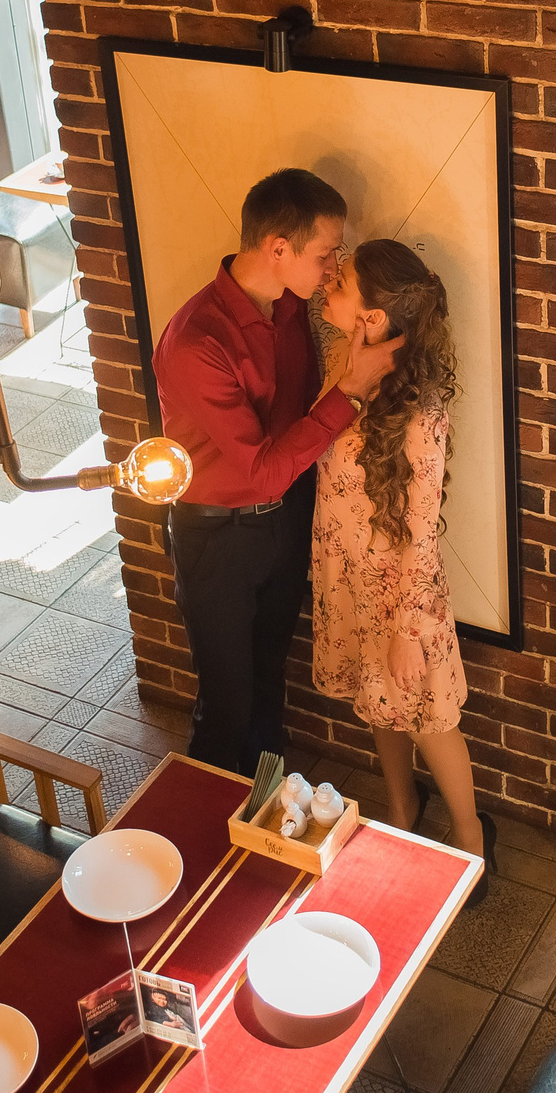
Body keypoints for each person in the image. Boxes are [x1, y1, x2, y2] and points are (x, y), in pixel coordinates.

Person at [154, 168, 402, 774]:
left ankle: (267, 810)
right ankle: (211, 820)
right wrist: (350, 392)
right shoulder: (196, 342)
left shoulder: (291, 307)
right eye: (325, 254)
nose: (333, 269)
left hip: (286, 520)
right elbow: (264, 469)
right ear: (279, 249)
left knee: (269, 683)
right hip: (217, 536)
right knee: (227, 705)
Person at [308, 239, 492, 892]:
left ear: (374, 316)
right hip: (347, 575)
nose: (328, 282)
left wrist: (409, 626)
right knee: (376, 700)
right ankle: (402, 806)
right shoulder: (341, 355)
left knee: (430, 719)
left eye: (342, 281)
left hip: (401, 591)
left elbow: (420, 532)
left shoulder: (421, 409)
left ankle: (472, 843)